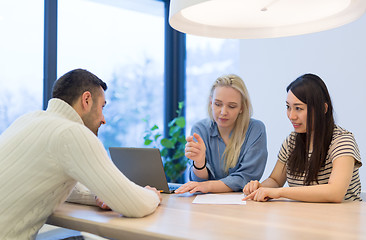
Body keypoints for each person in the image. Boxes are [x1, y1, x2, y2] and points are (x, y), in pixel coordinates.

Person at [0, 69, 161, 240]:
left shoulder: (27, 120)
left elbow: (62, 185)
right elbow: (135, 205)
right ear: (86, 100)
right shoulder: (70, 132)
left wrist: (101, 195)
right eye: (102, 106)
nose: (104, 119)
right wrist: (152, 195)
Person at [243, 73, 362, 202]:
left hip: (342, 219)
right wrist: (260, 188)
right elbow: (275, 180)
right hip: (303, 218)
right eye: (288, 107)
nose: (291, 116)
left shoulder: (342, 140)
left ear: (323, 108)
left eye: (298, 108)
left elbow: (335, 192)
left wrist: (280, 192)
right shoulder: (291, 141)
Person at [175, 74, 268, 194]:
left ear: (242, 107)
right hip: (204, 203)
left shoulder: (255, 129)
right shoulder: (200, 129)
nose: (223, 112)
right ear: (210, 102)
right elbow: (198, 183)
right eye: (218, 104)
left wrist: (208, 186)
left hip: (243, 203)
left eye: (232, 106)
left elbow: (246, 177)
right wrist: (199, 162)